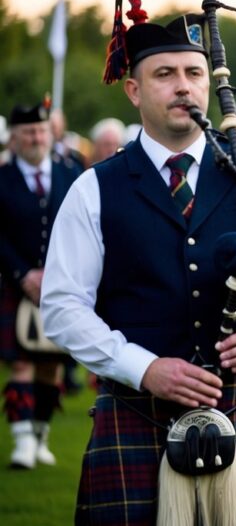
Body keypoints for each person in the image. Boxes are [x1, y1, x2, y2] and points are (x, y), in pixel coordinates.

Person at [40, 14, 236, 524]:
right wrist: (144, 368)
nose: (184, 86)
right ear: (134, 90)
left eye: (194, 73)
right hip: (137, 416)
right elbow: (62, 308)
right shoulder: (94, 189)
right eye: (165, 75)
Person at [0, 101, 80, 469]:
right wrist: (23, 274)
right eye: (28, 132)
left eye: (41, 130)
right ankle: (21, 444)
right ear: (14, 139)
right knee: (21, 364)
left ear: (51, 133)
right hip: (14, 285)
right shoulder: (2, 178)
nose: (36, 137)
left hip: (62, 284)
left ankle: (41, 434)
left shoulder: (72, 171)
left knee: (50, 365)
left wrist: (58, 273)